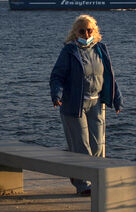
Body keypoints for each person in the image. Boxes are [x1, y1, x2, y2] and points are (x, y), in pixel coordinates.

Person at [49, 14, 122, 196]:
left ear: (95, 31)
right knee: (81, 147)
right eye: (82, 30)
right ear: (75, 32)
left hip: (96, 103)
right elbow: (57, 75)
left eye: (90, 30)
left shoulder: (100, 49)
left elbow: (109, 76)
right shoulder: (69, 51)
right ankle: (83, 184)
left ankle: (95, 179)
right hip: (74, 105)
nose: (86, 33)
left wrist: (117, 98)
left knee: (98, 146)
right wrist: (56, 94)